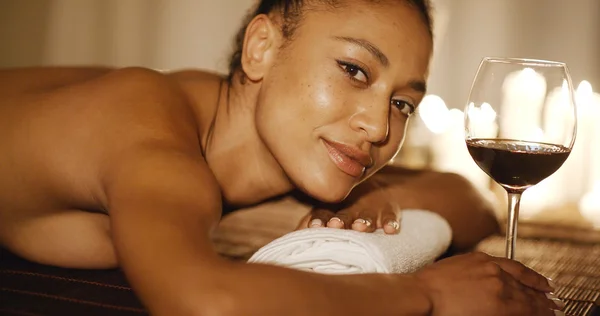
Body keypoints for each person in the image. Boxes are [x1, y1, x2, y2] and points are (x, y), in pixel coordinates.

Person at [0, 0, 563, 315]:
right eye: (353, 70)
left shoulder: (272, 136)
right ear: (261, 48)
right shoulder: (155, 145)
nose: (378, 124)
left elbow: (467, 198)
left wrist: (388, 199)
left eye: (402, 102)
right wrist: (426, 294)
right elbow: (205, 301)